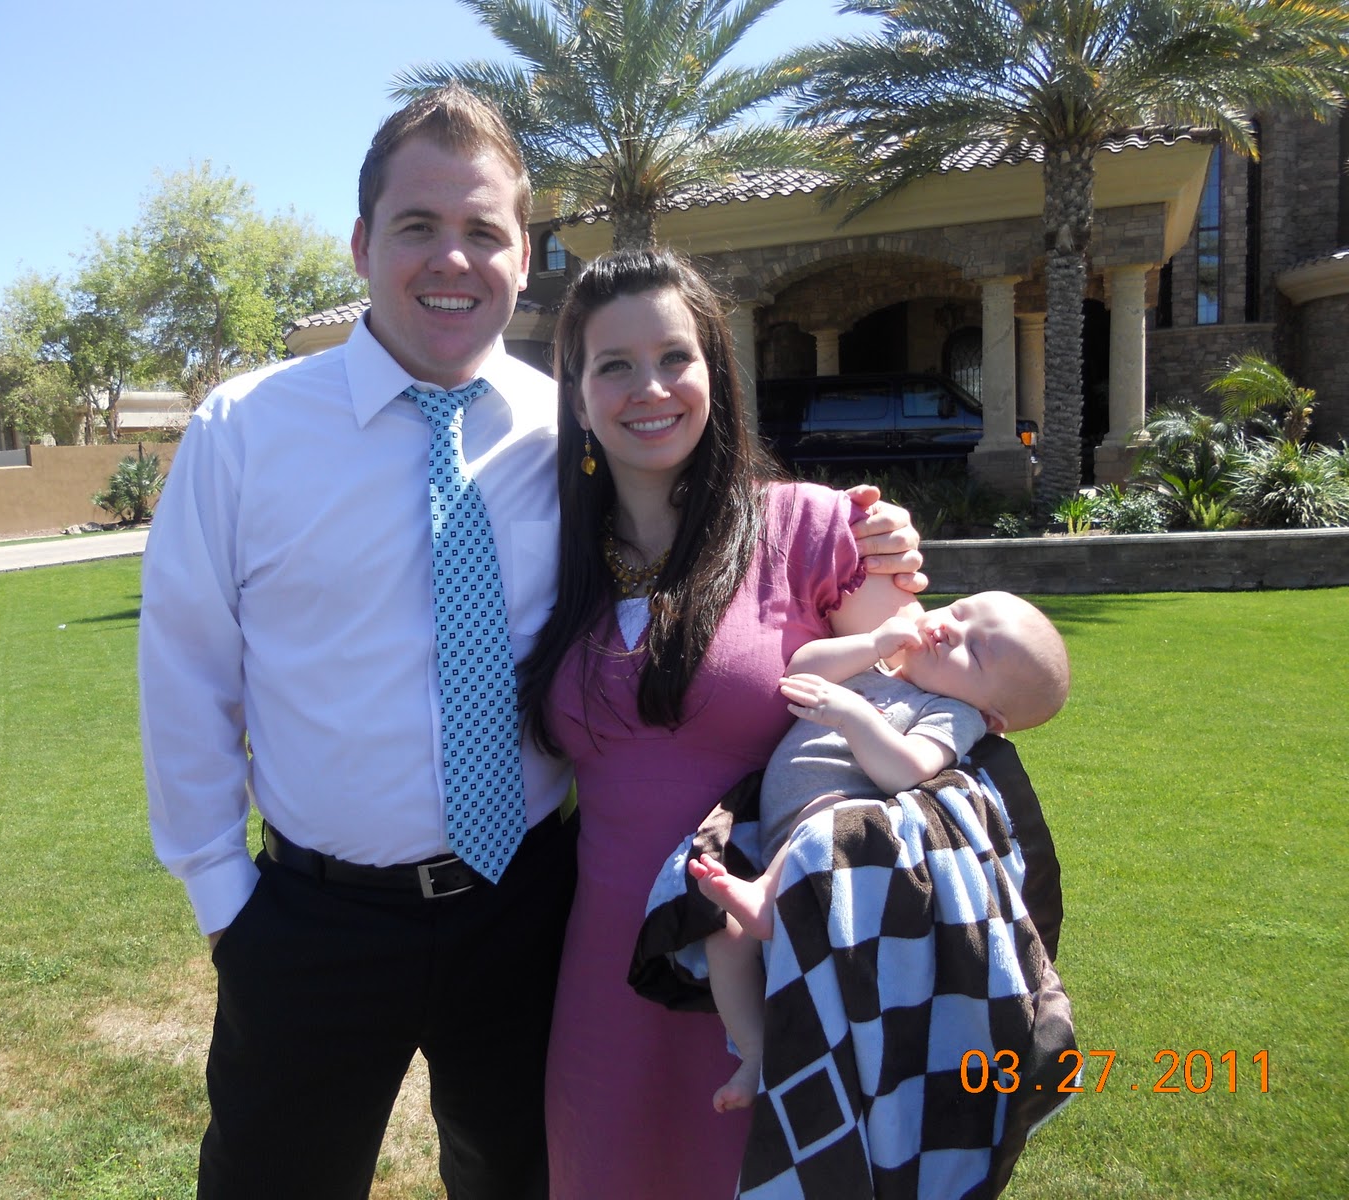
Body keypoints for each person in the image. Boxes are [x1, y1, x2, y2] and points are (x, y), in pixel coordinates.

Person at [139, 88, 923, 1200]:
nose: (452, 259)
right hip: (313, 925)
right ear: (362, 244)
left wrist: (866, 540)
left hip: (531, 912)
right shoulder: (245, 432)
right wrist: (228, 905)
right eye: (417, 225)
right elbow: (185, 676)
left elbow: (708, 533)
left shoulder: (575, 425)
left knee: (521, 1180)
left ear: (522, 254)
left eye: (484, 230)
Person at [516, 247, 927, 1200]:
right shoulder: (556, 557)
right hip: (606, 977)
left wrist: (896, 559)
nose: (649, 388)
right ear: (577, 398)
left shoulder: (812, 528)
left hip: (776, 958)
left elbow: (928, 701)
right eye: (613, 365)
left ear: (715, 371)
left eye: (675, 357)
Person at [687, 590, 1072, 1112]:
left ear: (991, 714)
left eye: (975, 651)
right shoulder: (876, 664)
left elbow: (903, 770)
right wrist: (871, 643)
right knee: (723, 936)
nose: (951, 630)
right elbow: (800, 669)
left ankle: (762, 906)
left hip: (825, 832)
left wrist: (853, 715)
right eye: (959, 612)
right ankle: (753, 1051)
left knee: (826, 814)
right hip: (776, 836)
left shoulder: (953, 713)